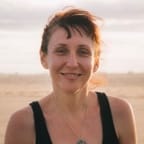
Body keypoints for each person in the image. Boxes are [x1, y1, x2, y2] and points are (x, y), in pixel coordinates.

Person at [4, 7, 137, 144]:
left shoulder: (119, 113)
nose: (72, 63)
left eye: (83, 52)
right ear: (44, 58)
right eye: (61, 51)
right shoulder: (22, 125)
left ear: (96, 62)